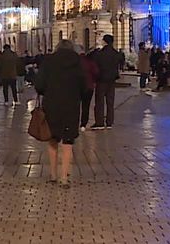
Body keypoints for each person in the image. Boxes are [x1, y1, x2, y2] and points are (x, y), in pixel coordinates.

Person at [35, 39, 86, 188]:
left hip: (52, 103)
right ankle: (64, 177)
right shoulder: (78, 62)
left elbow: (39, 84)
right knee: (68, 140)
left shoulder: (49, 61)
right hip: (71, 105)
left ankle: (53, 174)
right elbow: (84, 85)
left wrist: (46, 91)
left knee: (52, 137)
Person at [92, 35, 124, 129]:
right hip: (112, 79)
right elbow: (121, 62)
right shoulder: (116, 53)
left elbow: (95, 64)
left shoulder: (99, 53)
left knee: (99, 101)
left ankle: (99, 122)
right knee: (110, 102)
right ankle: (109, 122)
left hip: (101, 79)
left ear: (105, 41)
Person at [79, 49, 99, 130]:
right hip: (89, 86)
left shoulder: (75, 62)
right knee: (86, 106)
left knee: (76, 106)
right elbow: (96, 72)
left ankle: (73, 122)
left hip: (77, 87)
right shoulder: (91, 62)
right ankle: (83, 124)